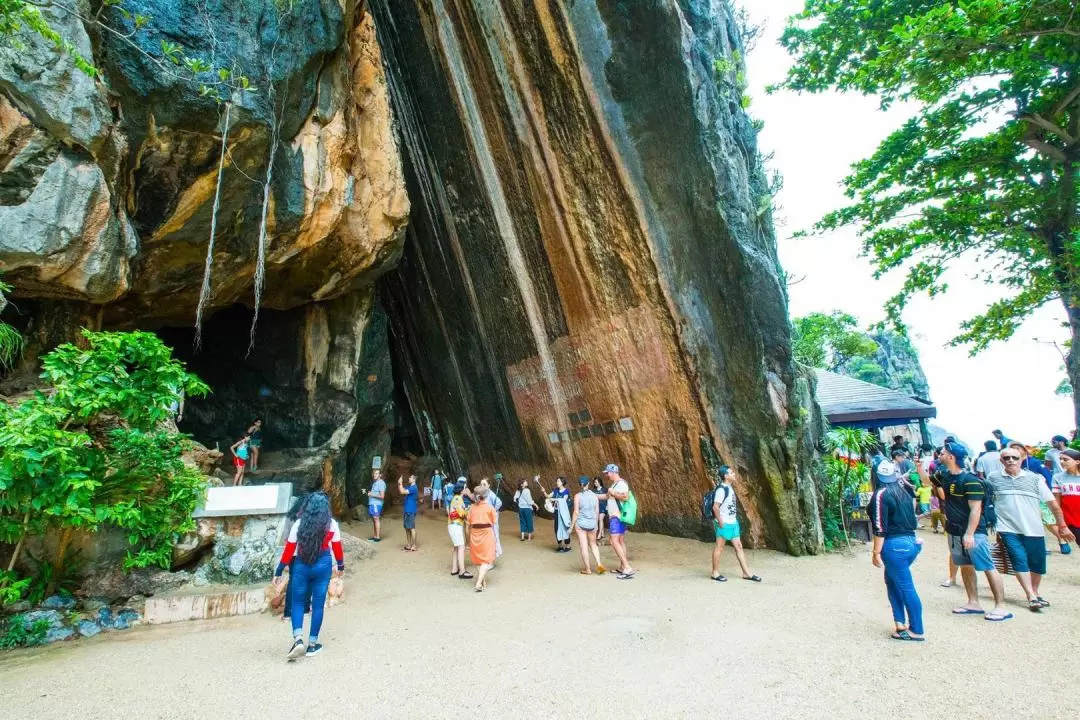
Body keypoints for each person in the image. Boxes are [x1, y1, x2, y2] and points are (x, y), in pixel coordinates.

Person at [921, 442, 1009, 621]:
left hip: (973, 531)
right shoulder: (945, 475)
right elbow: (927, 481)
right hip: (954, 529)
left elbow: (976, 510)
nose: (940, 455)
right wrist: (918, 467)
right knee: (965, 565)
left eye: (943, 453)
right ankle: (973, 602)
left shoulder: (971, 480)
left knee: (987, 566)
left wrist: (970, 533)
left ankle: (1001, 606)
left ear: (951, 457)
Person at [986, 449, 1074, 611]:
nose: (1011, 460)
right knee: (1019, 559)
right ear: (1001, 460)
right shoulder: (993, 478)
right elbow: (987, 501)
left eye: (1015, 458)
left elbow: (1053, 505)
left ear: (1021, 460)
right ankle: (1031, 596)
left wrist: (1062, 526)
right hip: (1007, 528)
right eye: (1007, 458)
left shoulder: (1035, 479)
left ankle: (1035, 592)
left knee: (1037, 564)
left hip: (1034, 527)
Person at [273, 492, 344, 660]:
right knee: (318, 605)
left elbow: (289, 550)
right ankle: (312, 644)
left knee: (297, 602)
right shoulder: (331, 524)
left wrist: (279, 569)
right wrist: (340, 565)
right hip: (323, 565)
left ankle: (298, 639)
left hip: (301, 566)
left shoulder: (299, 524)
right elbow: (337, 548)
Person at [867, 461, 924, 641]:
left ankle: (917, 630)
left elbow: (879, 526)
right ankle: (900, 623)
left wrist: (876, 552)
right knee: (892, 582)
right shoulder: (903, 490)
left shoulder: (880, 494)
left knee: (906, 587)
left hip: (894, 545)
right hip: (911, 542)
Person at [1010, 442, 1068, 554]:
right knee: (1031, 522)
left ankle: (1062, 541)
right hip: (1024, 497)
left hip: (1040, 496)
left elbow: (1047, 476)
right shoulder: (1013, 464)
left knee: (1048, 521)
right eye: (1013, 449)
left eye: (1017, 448)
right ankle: (1041, 547)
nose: (1015, 451)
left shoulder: (1034, 462)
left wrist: (1051, 493)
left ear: (1024, 450)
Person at [709, 466, 761, 583]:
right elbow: (715, 507)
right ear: (725, 476)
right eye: (731, 473)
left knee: (739, 547)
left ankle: (746, 573)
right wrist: (721, 522)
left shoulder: (729, 487)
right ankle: (715, 573)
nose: (734, 474)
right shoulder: (721, 490)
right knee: (719, 547)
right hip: (724, 524)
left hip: (733, 523)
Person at [603, 464, 636, 579]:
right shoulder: (615, 484)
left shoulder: (621, 484)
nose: (607, 475)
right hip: (618, 517)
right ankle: (622, 566)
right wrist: (594, 496)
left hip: (616, 517)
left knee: (613, 541)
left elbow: (625, 497)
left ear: (613, 472)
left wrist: (613, 493)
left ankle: (627, 567)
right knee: (620, 541)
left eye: (607, 473)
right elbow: (607, 497)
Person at [466, 486, 498, 591]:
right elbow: (494, 521)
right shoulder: (489, 508)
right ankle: (478, 583)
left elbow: (468, 521)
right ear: (486, 496)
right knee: (486, 560)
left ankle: (482, 580)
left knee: (479, 559)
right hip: (487, 534)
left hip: (474, 534)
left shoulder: (472, 508)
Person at [570, 476, 604, 575]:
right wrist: (597, 524)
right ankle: (599, 565)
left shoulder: (578, 496)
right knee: (593, 544)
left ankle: (588, 569)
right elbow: (597, 511)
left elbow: (576, 512)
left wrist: (572, 525)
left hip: (581, 524)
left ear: (580, 485)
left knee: (584, 546)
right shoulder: (595, 496)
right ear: (588, 483)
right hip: (592, 523)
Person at [1052, 448, 1080, 549]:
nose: (1061, 461)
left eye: (1065, 459)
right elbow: (1056, 502)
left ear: (1077, 461)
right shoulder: (1058, 477)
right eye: (1060, 459)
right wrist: (1060, 524)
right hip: (1071, 521)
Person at [446, 481, 472, 580]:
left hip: (454, 525)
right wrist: (468, 510)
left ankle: (454, 569)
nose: (466, 490)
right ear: (462, 490)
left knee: (456, 547)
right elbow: (461, 514)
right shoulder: (458, 499)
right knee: (461, 547)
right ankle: (462, 571)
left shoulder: (456, 498)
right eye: (465, 488)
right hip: (455, 526)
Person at [545, 477, 572, 552]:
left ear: (562, 482)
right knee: (556, 529)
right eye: (557, 481)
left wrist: (554, 499)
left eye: (558, 481)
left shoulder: (566, 491)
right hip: (556, 512)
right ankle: (560, 546)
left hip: (563, 513)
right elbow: (548, 496)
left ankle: (567, 546)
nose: (557, 482)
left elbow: (563, 500)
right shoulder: (555, 490)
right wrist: (544, 492)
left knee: (565, 528)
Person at [479, 477, 503, 560]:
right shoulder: (481, 494)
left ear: (489, 485)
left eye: (484, 484)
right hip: (484, 520)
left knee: (493, 537)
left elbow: (499, 503)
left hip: (491, 520)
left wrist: (493, 511)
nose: (482, 486)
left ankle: (492, 556)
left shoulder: (491, 494)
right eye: (481, 484)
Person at [398, 474, 419, 551]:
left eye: (410, 477)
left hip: (410, 510)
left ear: (413, 479)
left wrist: (400, 483)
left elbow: (403, 492)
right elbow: (401, 491)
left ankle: (414, 545)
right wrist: (399, 483)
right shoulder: (410, 487)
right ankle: (409, 545)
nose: (409, 478)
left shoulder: (413, 488)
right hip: (407, 510)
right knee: (407, 528)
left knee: (412, 528)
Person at [364, 470, 386, 542]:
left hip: (376, 504)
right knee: (374, 520)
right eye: (374, 473)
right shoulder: (375, 483)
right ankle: (375, 536)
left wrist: (371, 494)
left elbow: (382, 496)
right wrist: (370, 493)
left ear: (380, 475)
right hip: (372, 503)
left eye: (376, 473)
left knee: (376, 519)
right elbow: (375, 493)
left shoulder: (381, 483)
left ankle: (377, 537)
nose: (374, 475)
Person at [593, 477, 608, 542]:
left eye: (596, 482)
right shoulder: (594, 490)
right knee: (600, 520)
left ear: (599, 482)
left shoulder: (604, 489)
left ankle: (599, 534)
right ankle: (602, 534)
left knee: (600, 519)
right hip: (597, 507)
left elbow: (608, 498)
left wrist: (608, 506)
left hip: (603, 507)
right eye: (594, 482)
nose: (595, 483)